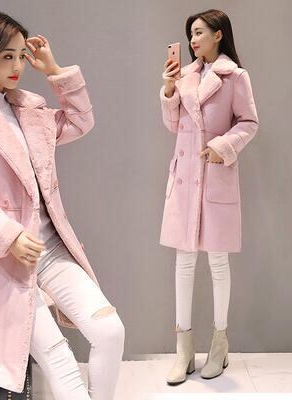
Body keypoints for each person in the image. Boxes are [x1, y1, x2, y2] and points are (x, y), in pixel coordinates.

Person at [0, 10, 124, 400]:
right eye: (6, 56)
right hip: (2, 257)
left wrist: (56, 71)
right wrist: (11, 236)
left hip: (49, 249)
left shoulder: (30, 110)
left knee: (110, 331)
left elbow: (81, 122)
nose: (17, 66)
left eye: (20, 56)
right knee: (59, 357)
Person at [159, 9, 258, 385]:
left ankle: (219, 344)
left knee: (218, 262)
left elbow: (249, 122)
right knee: (183, 262)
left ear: (218, 34)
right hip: (185, 179)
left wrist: (222, 147)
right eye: (190, 34)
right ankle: (183, 349)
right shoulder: (184, 76)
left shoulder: (235, 77)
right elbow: (173, 127)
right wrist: (169, 90)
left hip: (215, 175)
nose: (193, 40)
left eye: (199, 32)